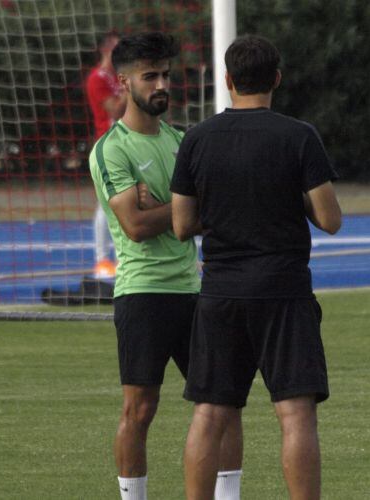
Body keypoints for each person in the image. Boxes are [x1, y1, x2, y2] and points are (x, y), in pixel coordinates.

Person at [171, 34, 342, 500]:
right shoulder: (299, 136)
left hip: (221, 290)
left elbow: (182, 225)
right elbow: (329, 219)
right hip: (283, 290)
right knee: (295, 413)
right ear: (277, 79)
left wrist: (230, 212)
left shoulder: (196, 139)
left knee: (210, 412)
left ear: (227, 81)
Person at [88, 32, 244, 500]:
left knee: (225, 403)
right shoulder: (112, 149)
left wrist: (173, 209)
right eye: (148, 76)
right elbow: (135, 226)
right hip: (143, 293)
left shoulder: (185, 141)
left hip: (196, 292)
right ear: (124, 82)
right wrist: (185, 211)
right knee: (139, 409)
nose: (160, 84)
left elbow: (212, 210)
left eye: (164, 75)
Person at [86, 32, 126, 278]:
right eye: (116, 48)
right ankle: (102, 260)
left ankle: (121, 258)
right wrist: (131, 86)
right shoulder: (97, 79)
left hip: (126, 142)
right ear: (105, 50)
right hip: (108, 144)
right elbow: (116, 108)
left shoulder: (116, 78)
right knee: (108, 201)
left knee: (126, 200)